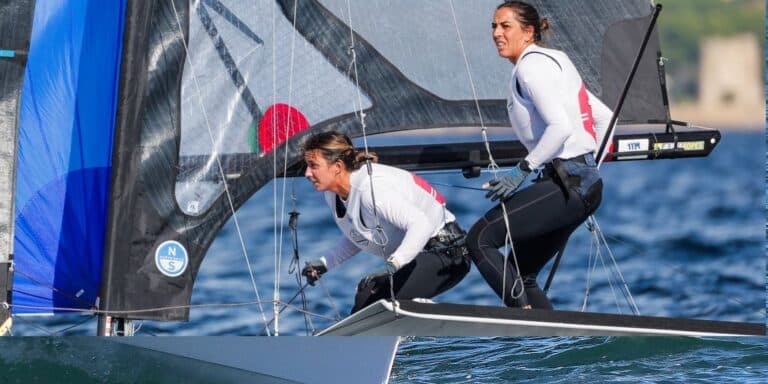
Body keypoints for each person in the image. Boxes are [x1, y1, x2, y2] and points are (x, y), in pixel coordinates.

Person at [466, 1, 613, 309]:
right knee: (521, 273)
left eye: (506, 26)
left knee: (479, 239)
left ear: (528, 32)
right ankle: (546, 338)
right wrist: (590, 166)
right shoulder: (556, 59)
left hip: (567, 185)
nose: (496, 33)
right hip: (582, 185)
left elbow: (559, 127)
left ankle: (524, 320)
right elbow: (606, 119)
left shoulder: (530, 68)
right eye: (494, 26)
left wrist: (521, 170)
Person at [301, 131, 471, 314]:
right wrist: (325, 263)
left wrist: (393, 264)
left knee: (375, 305)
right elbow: (360, 235)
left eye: (313, 166)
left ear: (337, 166)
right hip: (420, 256)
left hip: (449, 254)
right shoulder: (333, 193)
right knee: (364, 297)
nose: (306, 173)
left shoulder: (370, 189)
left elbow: (421, 224)